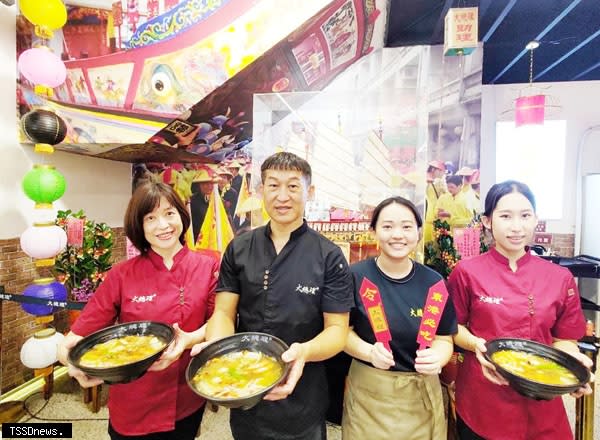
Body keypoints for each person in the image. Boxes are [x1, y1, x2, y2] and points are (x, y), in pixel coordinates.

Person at [198, 151, 354, 440]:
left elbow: (337, 331)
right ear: (261, 191)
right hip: (245, 388)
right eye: (273, 185)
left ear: (310, 192)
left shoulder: (329, 256)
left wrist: (303, 352)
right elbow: (223, 312)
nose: (283, 196)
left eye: (293, 186)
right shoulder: (239, 248)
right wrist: (219, 352)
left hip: (304, 392)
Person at [58, 181, 219, 440]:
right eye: (150, 218)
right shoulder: (122, 274)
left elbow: (217, 322)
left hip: (186, 397)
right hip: (134, 401)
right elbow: (80, 333)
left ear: (181, 215)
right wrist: (68, 358)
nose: (163, 225)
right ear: (140, 226)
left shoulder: (207, 266)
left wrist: (190, 338)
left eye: (169, 213)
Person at [447, 180, 594, 440]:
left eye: (525, 216)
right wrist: (476, 345)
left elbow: (564, 340)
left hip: (543, 399)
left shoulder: (559, 277)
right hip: (484, 399)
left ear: (535, 219)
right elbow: (452, 329)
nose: (517, 227)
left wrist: (573, 363)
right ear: (487, 221)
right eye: (505, 216)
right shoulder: (466, 272)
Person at [341, 196, 457, 440]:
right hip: (369, 397)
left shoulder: (434, 283)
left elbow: (445, 338)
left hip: (422, 396)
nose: (397, 235)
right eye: (387, 226)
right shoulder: (355, 276)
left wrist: (438, 356)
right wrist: (368, 352)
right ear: (373, 232)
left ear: (417, 232)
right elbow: (341, 331)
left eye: (406, 227)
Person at [190, 168, 217, 243]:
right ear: (200, 185)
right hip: (199, 239)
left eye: (211, 183)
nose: (209, 186)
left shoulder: (218, 200)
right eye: (205, 183)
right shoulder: (192, 201)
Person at [424, 160, 447, 243]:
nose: (442, 173)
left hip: (431, 215)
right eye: (440, 171)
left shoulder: (433, 181)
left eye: (443, 171)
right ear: (433, 169)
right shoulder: (428, 180)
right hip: (428, 215)